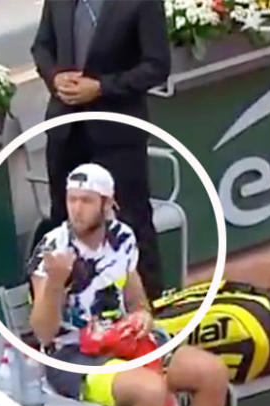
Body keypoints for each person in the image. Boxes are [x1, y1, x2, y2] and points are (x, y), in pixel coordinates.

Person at [28, 163, 248, 406]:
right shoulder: (53, 249)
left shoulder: (123, 238)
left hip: (125, 340)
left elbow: (137, 300)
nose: (76, 208)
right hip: (73, 358)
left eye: (86, 200)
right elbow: (43, 331)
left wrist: (143, 317)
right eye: (71, 199)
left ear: (107, 203)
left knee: (211, 372)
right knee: (150, 389)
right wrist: (55, 284)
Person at [30, 0, 172, 297]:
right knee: (65, 222)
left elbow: (156, 66)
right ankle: (72, 315)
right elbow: (41, 47)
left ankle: (153, 312)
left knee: (132, 222)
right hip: (65, 131)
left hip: (117, 134)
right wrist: (54, 76)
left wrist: (102, 87)